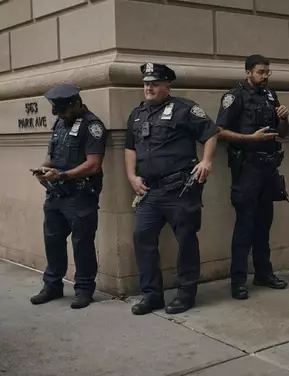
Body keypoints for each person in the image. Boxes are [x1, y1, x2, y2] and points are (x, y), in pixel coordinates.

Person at [125, 63, 219, 315]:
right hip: (149, 192)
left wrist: (206, 161)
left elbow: (211, 133)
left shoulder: (185, 109)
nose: (149, 87)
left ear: (167, 86)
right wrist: (131, 176)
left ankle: (186, 294)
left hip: (179, 189)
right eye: (146, 83)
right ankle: (151, 295)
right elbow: (130, 147)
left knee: (186, 240)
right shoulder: (137, 114)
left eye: (154, 83)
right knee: (142, 236)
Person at [215, 54, 289, 300]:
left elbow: (283, 134)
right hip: (247, 170)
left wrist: (284, 117)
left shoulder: (270, 95)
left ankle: (263, 273)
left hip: (268, 169)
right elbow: (220, 132)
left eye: (268, 72)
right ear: (248, 72)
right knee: (245, 227)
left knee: (263, 225)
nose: (265, 76)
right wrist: (251, 139)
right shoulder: (234, 96)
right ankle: (238, 281)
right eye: (260, 72)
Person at [30, 84, 107, 309]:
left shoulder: (93, 127)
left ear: (76, 103)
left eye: (64, 110)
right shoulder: (60, 124)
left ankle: (84, 290)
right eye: (58, 111)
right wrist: (43, 169)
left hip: (80, 195)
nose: (61, 115)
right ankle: (52, 286)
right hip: (55, 196)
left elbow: (93, 165)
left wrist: (62, 175)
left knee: (82, 244)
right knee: (52, 241)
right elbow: (52, 156)